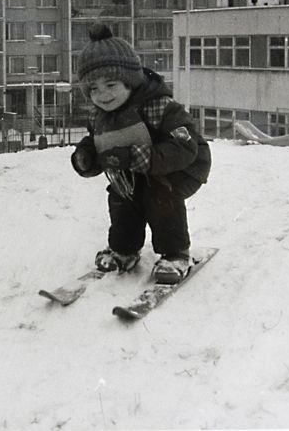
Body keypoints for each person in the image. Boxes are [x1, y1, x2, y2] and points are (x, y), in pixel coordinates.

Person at [71, 23, 211, 284]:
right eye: (93, 89)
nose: (102, 95)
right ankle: (124, 250)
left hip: (184, 167)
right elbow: (96, 141)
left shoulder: (161, 107)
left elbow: (185, 146)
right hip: (137, 170)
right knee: (122, 195)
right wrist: (87, 157)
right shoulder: (100, 115)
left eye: (110, 84)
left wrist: (135, 157)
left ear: (130, 80)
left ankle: (175, 254)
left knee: (158, 194)